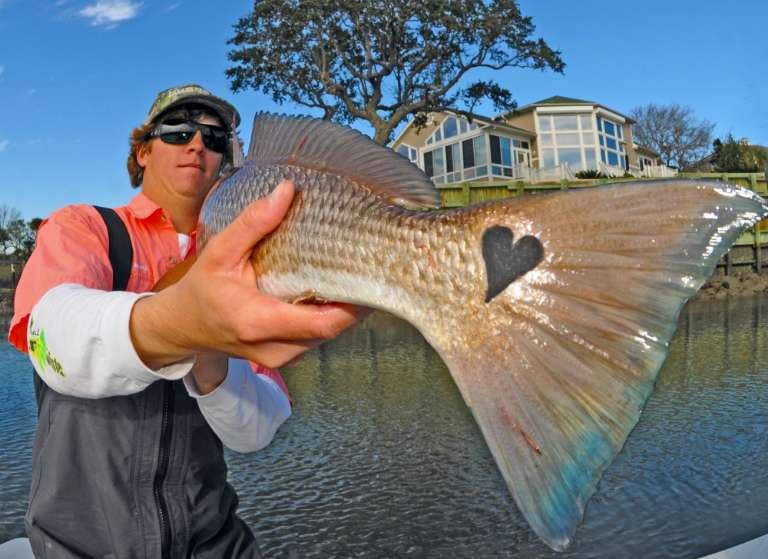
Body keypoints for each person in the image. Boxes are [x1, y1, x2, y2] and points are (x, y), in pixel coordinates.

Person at [8, 84, 365, 558]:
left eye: (214, 140)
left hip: (216, 544)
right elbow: (51, 340)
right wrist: (185, 324)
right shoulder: (84, 226)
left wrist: (212, 360)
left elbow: (256, 432)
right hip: (79, 547)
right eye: (178, 131)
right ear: (142, 150)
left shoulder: (257, 258)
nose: (197, 145)